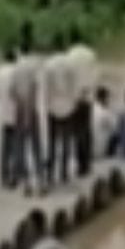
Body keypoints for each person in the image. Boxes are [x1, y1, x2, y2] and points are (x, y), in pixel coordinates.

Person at [11, 24, 43, 193]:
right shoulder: (33, 65)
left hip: (19, 109)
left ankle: (24, 181)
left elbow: (12, 91)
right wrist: (29, 112)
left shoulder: (16, 67)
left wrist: (20, 108)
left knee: (20, 146)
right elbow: (34, 88)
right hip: (30, 109)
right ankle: (39, 179)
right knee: (35, 146)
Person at [43, 33, 77, 188]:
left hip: (53, 106)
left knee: (52, 142)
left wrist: (46, 105)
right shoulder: (70, 64)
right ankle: (64, 173)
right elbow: (73, 86)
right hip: (67, 106)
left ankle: (50, 174)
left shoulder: (48, 65)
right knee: (66, 141)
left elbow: (46, 89)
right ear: (64, 46)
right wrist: (73, 103)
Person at [67, 27, 97, 178]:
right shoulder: (90, 54)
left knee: (76, 132)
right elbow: (95, 75)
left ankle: (80, 165)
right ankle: (87, 163)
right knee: (87, 130)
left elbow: (68, 79)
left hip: (74, 99)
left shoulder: (68, 56)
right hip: (88, 97)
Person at [0, 45, 18, 189]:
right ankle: (14, 176)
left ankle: (4, 176)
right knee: (16, 146)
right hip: (16, 113)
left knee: (5, 147)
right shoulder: (17, 71)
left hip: (3, 113)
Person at [92, 86, 117, 161]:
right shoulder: (104, 111)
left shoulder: (92, 108)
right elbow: (114, 127)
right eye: (108, 97)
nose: (109, 99)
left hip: (92, 147)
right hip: (101, 149)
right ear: (104, 98)